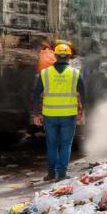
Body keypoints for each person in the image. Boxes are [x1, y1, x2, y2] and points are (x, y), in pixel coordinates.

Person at [31, 43, 86, 181]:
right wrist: (83, 113)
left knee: (52, 144)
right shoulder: (75, 73)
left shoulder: (44, 73)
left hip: (50, 115)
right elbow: (83, 95)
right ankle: (61, 175)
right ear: (69, 57)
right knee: (65, 145)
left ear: (55, 56)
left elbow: (36, 94)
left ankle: (50, 173)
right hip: (68, 115)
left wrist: (36, 114)